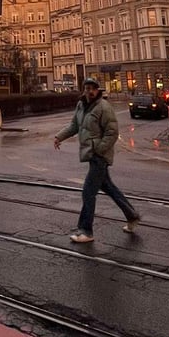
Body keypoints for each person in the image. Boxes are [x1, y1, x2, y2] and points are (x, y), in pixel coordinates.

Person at [54, 77, 139, 243]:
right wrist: (59, 137)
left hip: (99, 156)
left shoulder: (103, 107)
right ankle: (132, 215)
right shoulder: (81, 105)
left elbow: (112, 132)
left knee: (88, 192)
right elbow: (74, 126)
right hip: (91, 154)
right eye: (87, 88)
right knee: (109, 188)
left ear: (98, 90)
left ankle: (86, 231)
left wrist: (99, 149)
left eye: (93, 88)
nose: (90, 91)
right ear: (84, 89)